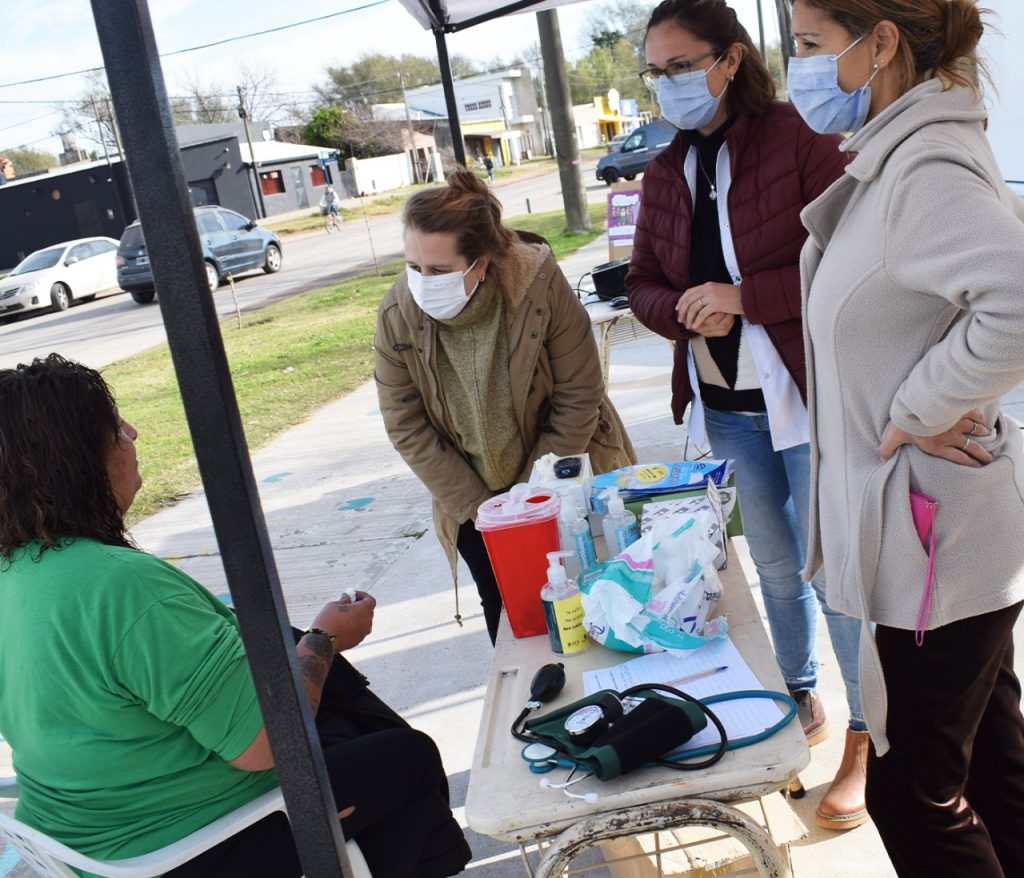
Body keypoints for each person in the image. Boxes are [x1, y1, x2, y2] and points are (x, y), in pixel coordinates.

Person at [0, 354, 471, 878]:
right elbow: (267, 743)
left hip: (83, 841)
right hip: (181, 847)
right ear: (74, 460)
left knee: (348, 726)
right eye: (114, 428)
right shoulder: (119, 585)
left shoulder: (14, 571)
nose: (132, 432)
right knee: (407, 759)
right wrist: (326, 637)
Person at [789, 0, 1024, 873]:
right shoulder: (902, 154)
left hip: (936, 547)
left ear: (880, 42)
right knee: (994, 767)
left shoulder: (921, 165)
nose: (799, 65)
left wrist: (922, 405)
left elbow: (1017, 300)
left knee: (913, 796)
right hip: (947, 537)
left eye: (811, 44)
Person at [626, 0, 867, 830]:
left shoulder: (798, 137)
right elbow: (641, 285)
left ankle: (869, 735)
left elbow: (848, 257)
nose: (666, 85)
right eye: (655, 71)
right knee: (770, 567)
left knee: (836, 571)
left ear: (729, 61)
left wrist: (747, 299)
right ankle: (800, 697)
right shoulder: (664, 172)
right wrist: (685, 308)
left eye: (681, 66)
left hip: (807, 397)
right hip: (726, 407)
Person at [374, 169, 636, 645]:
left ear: (482, 262)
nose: (422, 282)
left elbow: (579, 395)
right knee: (513, 624)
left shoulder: (537, 284)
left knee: (596, 608)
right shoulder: (397, 314)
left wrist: (530, 499)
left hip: (564, 481)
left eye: (438, 271)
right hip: (473, 506)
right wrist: (483, 510)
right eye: (413, 266)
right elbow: (405, 424)